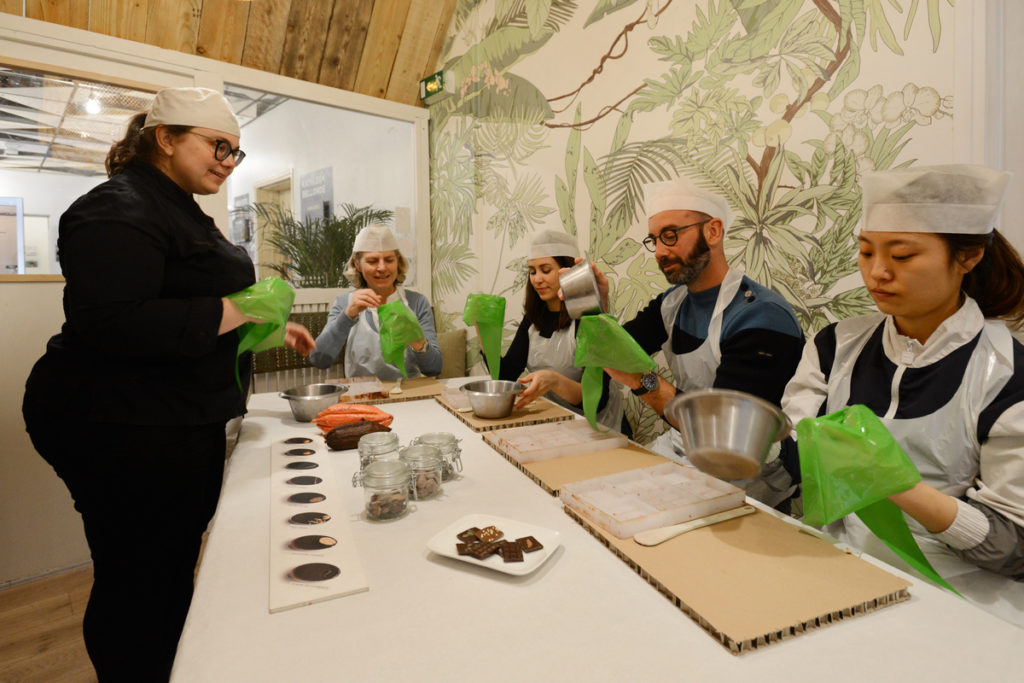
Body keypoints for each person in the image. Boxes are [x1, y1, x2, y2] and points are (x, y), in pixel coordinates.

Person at [21, 87, 315, 681]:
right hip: (115, 424)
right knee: (138, 578)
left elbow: (185, 307)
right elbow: (110, 322)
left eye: (237, 153)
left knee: (166, 566)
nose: (228, 161)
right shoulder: (115, 207)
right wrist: (238, 311)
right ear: (166, 138)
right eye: (218, 145)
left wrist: (262, 328)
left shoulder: (175, 204)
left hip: (167, 418)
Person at [781, 163, 1024, 624]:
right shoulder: (836, 346)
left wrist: (902, 487)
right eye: (866, 251)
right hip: (845, 573)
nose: (877, 273)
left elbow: (1013, 549)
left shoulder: (1008, 376)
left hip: (961, 598)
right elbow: (792, 453)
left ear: (968, 256)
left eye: (903, 255)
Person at [595, 177, 804, 507]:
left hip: (747, 472)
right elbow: (613, 350)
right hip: (684, 447)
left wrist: (641, 380)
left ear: (713, 231)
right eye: (655, 240)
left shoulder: (761, 317)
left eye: (671, 235)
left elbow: (725, 435)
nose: (661, 252)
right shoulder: (672, 303)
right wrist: (597, 306)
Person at [488, 229, 625, 431]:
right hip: (555, 420)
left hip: (595, 426)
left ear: (567, 271)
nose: (537, 279)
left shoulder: (587, 319)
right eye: (533, 271)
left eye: (545, 270)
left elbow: (597, 399)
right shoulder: (532, 320)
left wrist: (553, 381)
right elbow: (506, 376)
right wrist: (485, 329)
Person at [308, 224, 441, 379]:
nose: (382, 267)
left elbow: (435, 368)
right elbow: (319, 360)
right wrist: (348, 315)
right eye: (372, 261)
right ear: (357, 265)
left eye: (389, 260)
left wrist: (419, 344)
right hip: (362, 396)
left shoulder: (417, 303)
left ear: (398, 262)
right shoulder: (344, 303)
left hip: (409, 392)